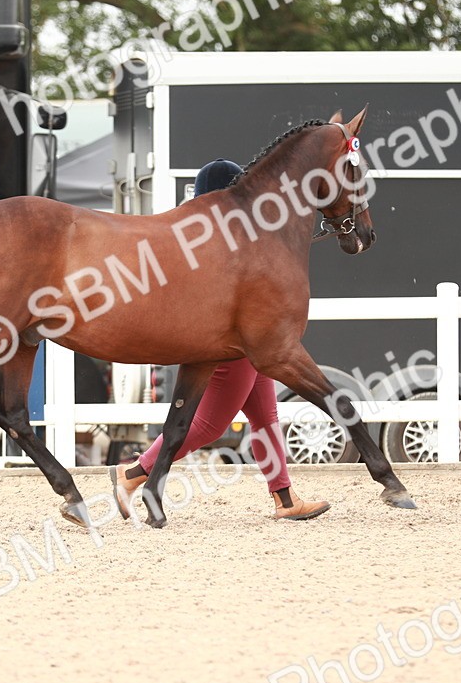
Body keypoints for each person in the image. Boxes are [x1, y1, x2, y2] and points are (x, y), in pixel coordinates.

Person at [109, 159, 331, 522]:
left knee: (265, 417)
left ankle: (285, 498)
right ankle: (134, 473)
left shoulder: (214, 233)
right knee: (210, 425)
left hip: (251, 341)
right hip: (232, 342)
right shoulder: (217, 239)